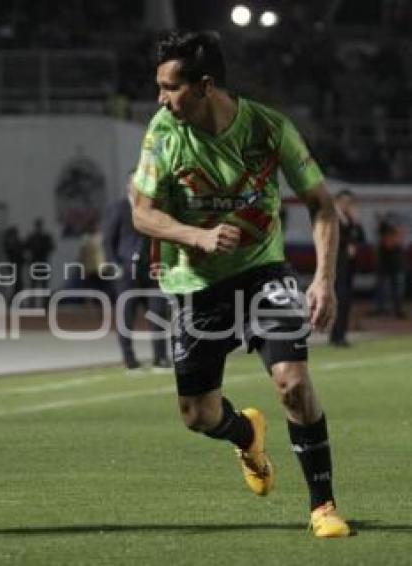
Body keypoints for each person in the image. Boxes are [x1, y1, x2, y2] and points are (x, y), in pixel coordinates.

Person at [129, 31, 349, 538]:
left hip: (263, 271)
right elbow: (142, 213)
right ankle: (246, 433)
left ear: (205, 85)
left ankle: (324, 508)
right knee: (198, 415)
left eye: (170, 87)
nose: (161, 98)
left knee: (293, 383)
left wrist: (323, 280)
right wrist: (196, 237)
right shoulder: (163, 133)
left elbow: (321, 204)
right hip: (197, 283)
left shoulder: (269, 129)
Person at [102, 196, 169, 371]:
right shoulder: (120, 207)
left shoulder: (155, 207)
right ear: (129, 187)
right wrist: (115, 266)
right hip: (127, 271)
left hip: (151, 271)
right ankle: (129, 360)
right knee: (126, 317)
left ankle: (160, 358)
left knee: (159, 314)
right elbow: (108, 240)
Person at [329, 189, 364, 346]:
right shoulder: (332, 217)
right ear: (336, 201)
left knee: (346, 299)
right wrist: (348, 243)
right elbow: (330, 238)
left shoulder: (350, 220)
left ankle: (340, 333)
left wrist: (356, 222)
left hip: (348, 266)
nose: (347, 205)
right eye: (344, 202)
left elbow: (362, 238)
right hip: (335, 264)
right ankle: (336, 335)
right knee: (339, 299)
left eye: (349, 203)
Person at [373, 214, 406, 318]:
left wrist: (396, 233)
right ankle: (381, 309)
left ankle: (398, 309)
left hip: (397, 264)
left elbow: (398, 242)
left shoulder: (397, 233)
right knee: (383, 288)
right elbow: (387, 244)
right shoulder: (383, 232)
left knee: (398, 289)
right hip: (384, 265)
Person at [24, 218, 54, 307]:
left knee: (44, 285)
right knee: (33, 285)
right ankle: (32, 304)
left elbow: (51, 247)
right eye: (38, 225)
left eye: (39, 225)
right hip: (35, 263)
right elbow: (25, 247)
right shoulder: (32, 237)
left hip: (43, 263)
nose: (39, 227)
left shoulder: (46, 237)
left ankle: (46, 304)